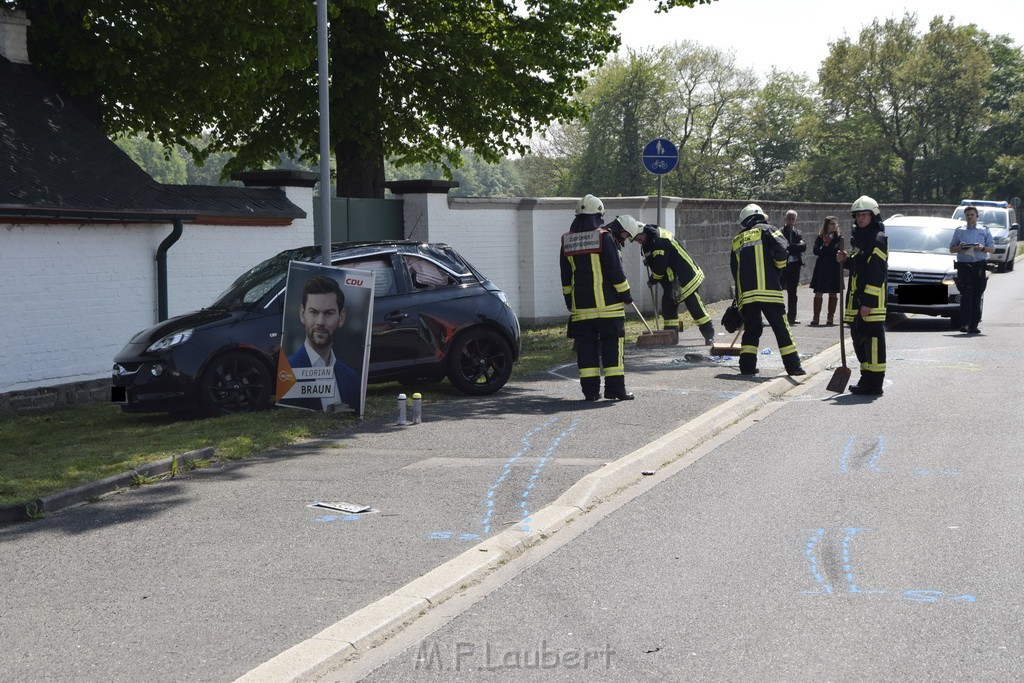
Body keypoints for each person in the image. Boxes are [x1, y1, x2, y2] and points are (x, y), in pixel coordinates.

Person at [560, 194, 635, 401]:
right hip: (609, 308)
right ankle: (615, 391)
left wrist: (570, 302)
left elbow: (565, 278)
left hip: (581, 310)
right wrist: (626, 295)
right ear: (600, 214)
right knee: (613, 348)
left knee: (586, 351)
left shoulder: (567, 240)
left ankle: (591, 392)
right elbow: (615, 272)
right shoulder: (604, 237)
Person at [730, 204, 806, 377]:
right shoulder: (768, 229)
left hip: (747, 295)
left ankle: (747, 367)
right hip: (768, 290)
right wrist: (778, 270)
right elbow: (782, 249)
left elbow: (735, 270)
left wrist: (739, 297)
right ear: (759, 216)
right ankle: (793, 367)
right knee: (781, 328)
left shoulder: (736, 240)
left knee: (752, 329)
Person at [616, 215, 716, 345]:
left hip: (686, 277)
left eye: (639, 239)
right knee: (668, 305)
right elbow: (656, 259)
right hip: (672, 280)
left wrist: (652, 281)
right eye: (636, 240)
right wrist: (649, 260)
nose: (639, 242)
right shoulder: (649, 241)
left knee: (694, 306)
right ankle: (670, 336)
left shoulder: (659, 240)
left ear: (643, 232)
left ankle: (709, 335)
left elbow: (660, 268)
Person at [836, 196, 888, 396]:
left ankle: (875, 383)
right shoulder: (860, 239)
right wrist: (846, 260)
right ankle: (866, 379)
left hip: (871, 302)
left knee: (873, 342)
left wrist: (868, 302)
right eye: (857, 215)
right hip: (856, 300)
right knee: (859, 339)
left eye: (864, 214)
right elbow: (860, 264)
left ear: (873, 216)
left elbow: (876, 273)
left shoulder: (877, 239)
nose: (860, 218)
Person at [287, 275, 360, 410]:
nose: (320, 322)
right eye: (314, 312)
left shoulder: (351, 378)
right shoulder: (287, 371)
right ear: (302, 314)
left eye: (329, 313)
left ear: (341, 317)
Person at [948, 204, 994, 334]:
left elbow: (992, 248)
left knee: (976, 296)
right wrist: (960, 247)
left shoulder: (984, 230)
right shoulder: (959, 230)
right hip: (964, 266)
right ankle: (965, 324)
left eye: (972, 214)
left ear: (977, 216)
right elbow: (951, 249)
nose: (969, 217)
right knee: (966, 295)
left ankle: (974, 325)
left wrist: (982, 248)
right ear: (965, 217)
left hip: (978, 266)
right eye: (967, 215)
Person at [809, 216, 843, 326]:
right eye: (832, 224)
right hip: (822, 267)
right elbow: (815, 251)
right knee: (818, 292)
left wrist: (824, 249)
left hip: (834, 267)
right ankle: (816, 318)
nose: (834, 226)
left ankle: (830, 318)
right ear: (826, 225)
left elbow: (835, 251)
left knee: (833, 293)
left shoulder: (839, 238)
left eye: (835, 224)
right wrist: (825, 249)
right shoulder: (820, 237)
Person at [780, 209, 806, 324]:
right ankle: (779, 315)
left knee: (792, 292)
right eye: (789, 218)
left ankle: (792, 317)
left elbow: (803, 247)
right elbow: (782, 246)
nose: (791, 220)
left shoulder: (798, 232)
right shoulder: (780, 232)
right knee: (778, 291)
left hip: (795, 265)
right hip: (782, 265)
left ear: (796, 220)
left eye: (793, 219)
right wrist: (794, 247)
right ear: (785, 219)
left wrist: (791, 247)